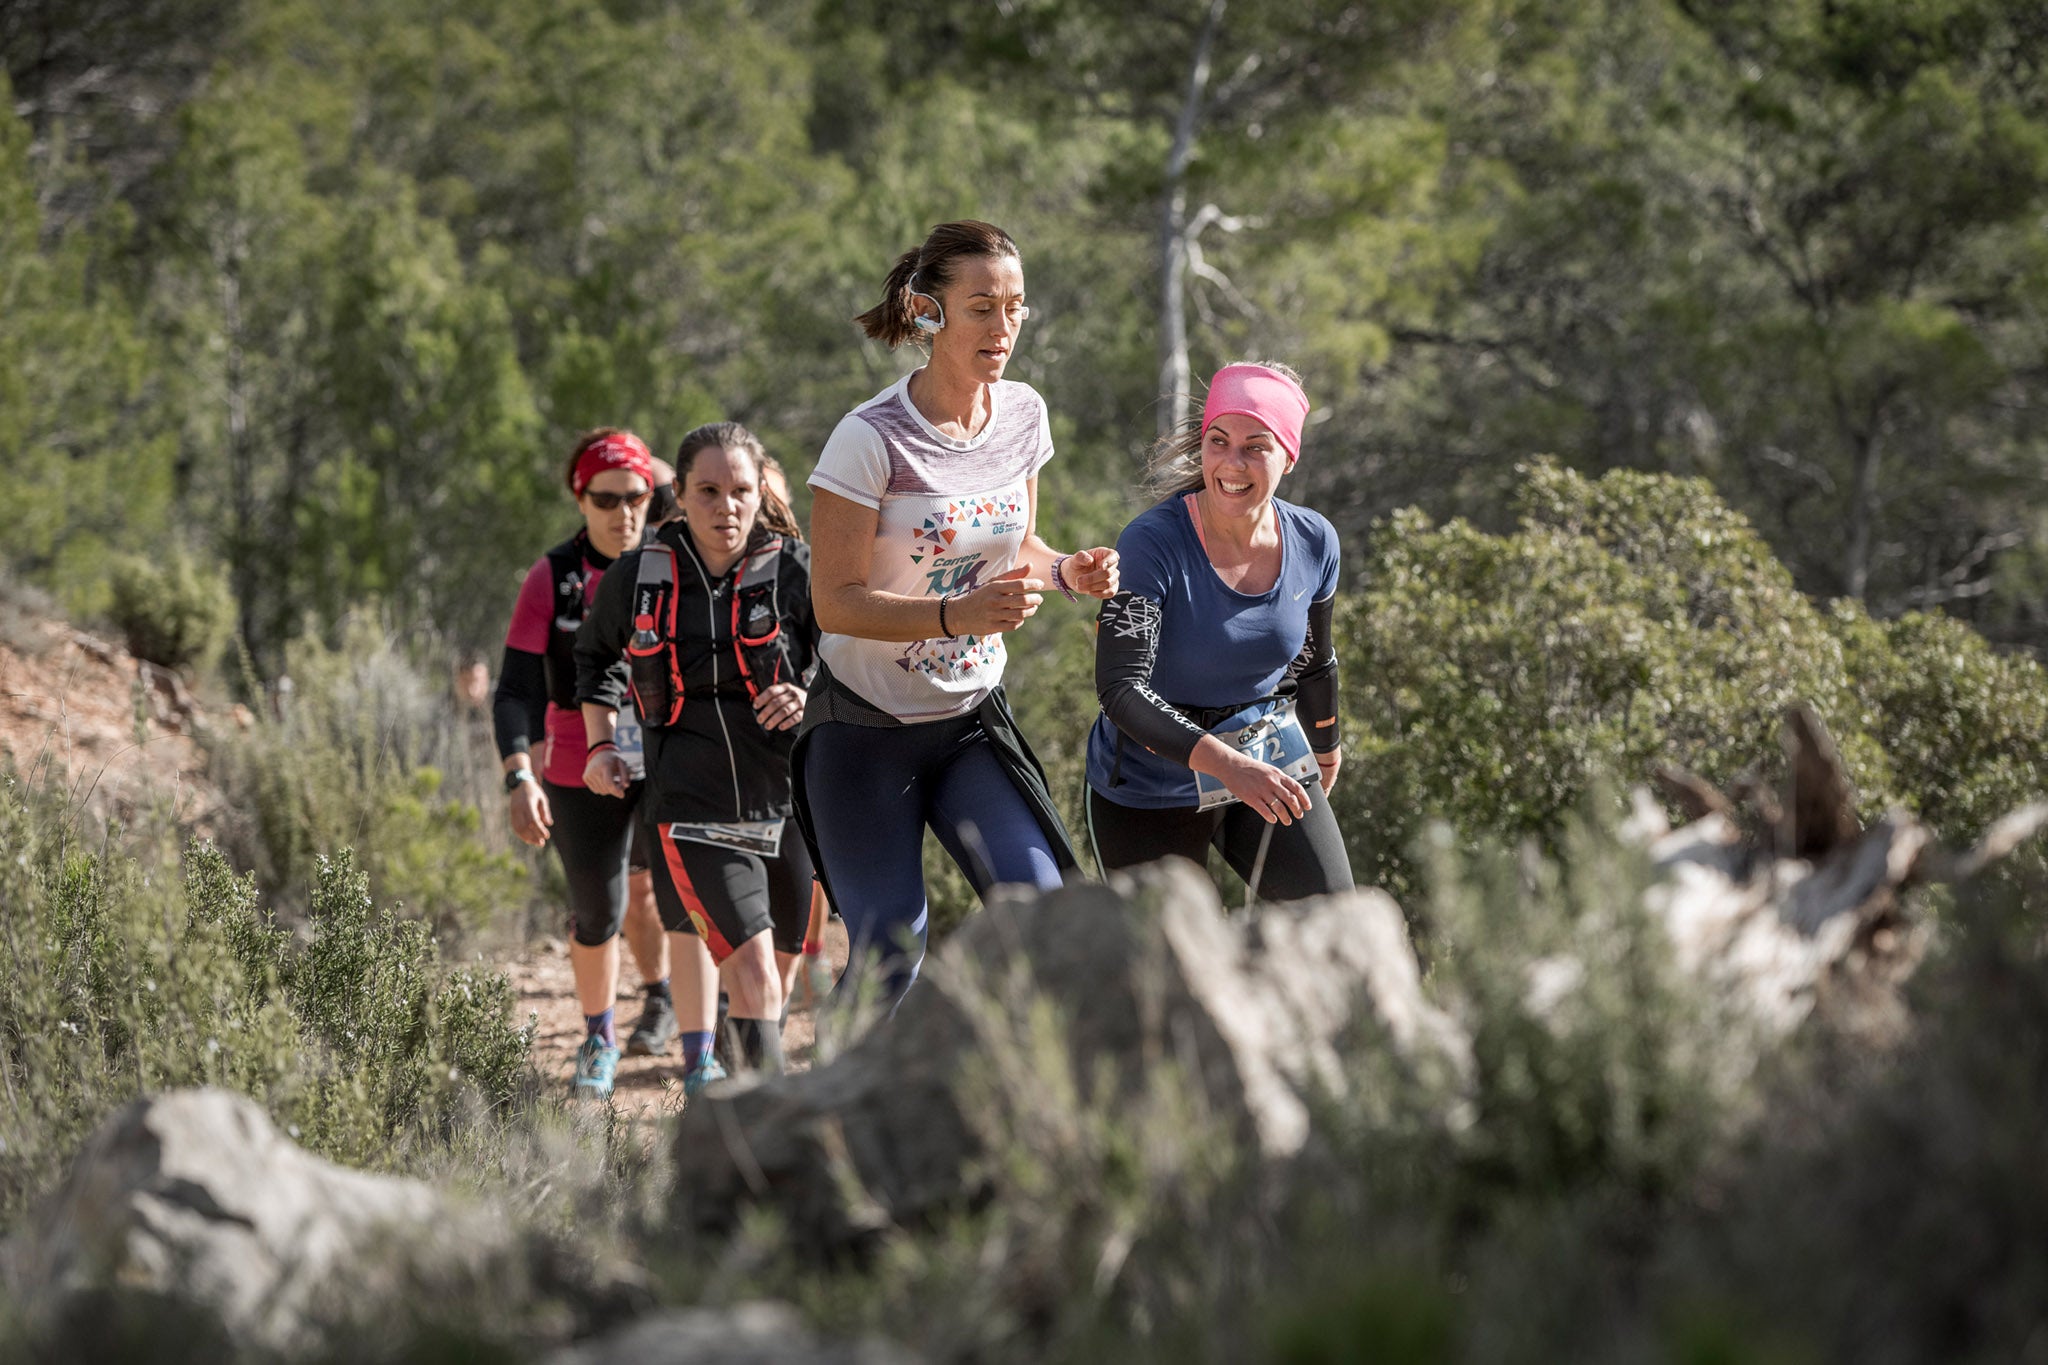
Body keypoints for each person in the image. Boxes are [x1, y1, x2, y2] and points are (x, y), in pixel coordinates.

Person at [799, 219, 1119, 1002]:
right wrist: (956, 615)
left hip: (972, 725)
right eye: (982, 307)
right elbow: (832, 604)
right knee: (887, 954)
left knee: (1042, 919)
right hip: (863, 731)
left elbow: (1020, 545)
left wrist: (1069, 571)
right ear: (928, 314)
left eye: (1015, 307)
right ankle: (828, 1120)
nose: (1003, 327)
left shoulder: (1023, 415)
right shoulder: (866, 439)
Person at [577, 422, 816, 1088]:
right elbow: (594, 657)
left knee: (773, 984)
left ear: (758, 490)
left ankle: (732, 1141)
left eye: (740, 490)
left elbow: (844, 659)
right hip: (691, 807)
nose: (726, 506)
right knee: (756, 974)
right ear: (678, 493)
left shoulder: (793, 568)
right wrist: (600, 744)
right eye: (707, 491)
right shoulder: (639, 574)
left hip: (789, 804)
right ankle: (773, 1140)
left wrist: (806, 691)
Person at [1084, 362, 1353, 901]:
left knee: (1331, 918)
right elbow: (1121, 690)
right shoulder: (1151, 543)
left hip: (1265, 752)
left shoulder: (1314, 540)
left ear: (1288, 457)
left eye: (1256, 446)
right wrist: (1229, 767)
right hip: (1150, 782)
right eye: (1218, 441)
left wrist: (1326, 745)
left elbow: (1312, 659)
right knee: (1173, 969)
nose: (1232, 463)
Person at [494, 429, 687, 1101]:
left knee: (674, 895)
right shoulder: (553, 576)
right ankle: (600, 1035)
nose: (622, 511)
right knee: (599, 908)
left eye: (635, 496)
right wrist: (519, 774)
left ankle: (687, 1019)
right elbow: (514, 686)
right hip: (580, 762)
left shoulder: (675, 560)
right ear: (580, 498)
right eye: (605, 498)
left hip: (665, 755)